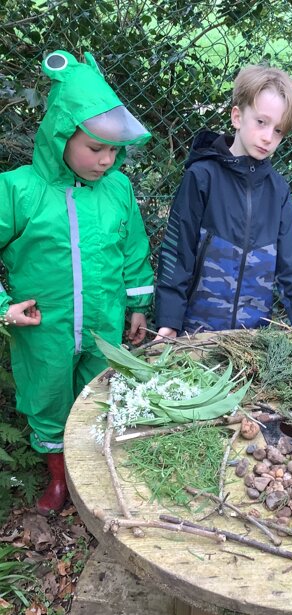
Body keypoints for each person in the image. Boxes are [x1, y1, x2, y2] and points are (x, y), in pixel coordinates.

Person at [0, 50, 154, 515]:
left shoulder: (117, 189)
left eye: (114, 150)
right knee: (48, 398)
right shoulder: (19, 190)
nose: (106, 160)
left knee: (98, 394)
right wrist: (4, 305)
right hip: (44, 327)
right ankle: (58, 478)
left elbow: (132, 248)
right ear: (61, 134)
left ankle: (92, 474)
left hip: (103, 323)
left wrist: (138, 304)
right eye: (95, 148)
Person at [155, 65, 292, 340]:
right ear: (237, 117)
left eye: (278, 130)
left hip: (252, 341)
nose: (268, 137)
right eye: (261, 122)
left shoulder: (278, 191)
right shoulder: (202, 177)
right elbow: (177, 254)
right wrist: (169, 321)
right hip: (196, 334)